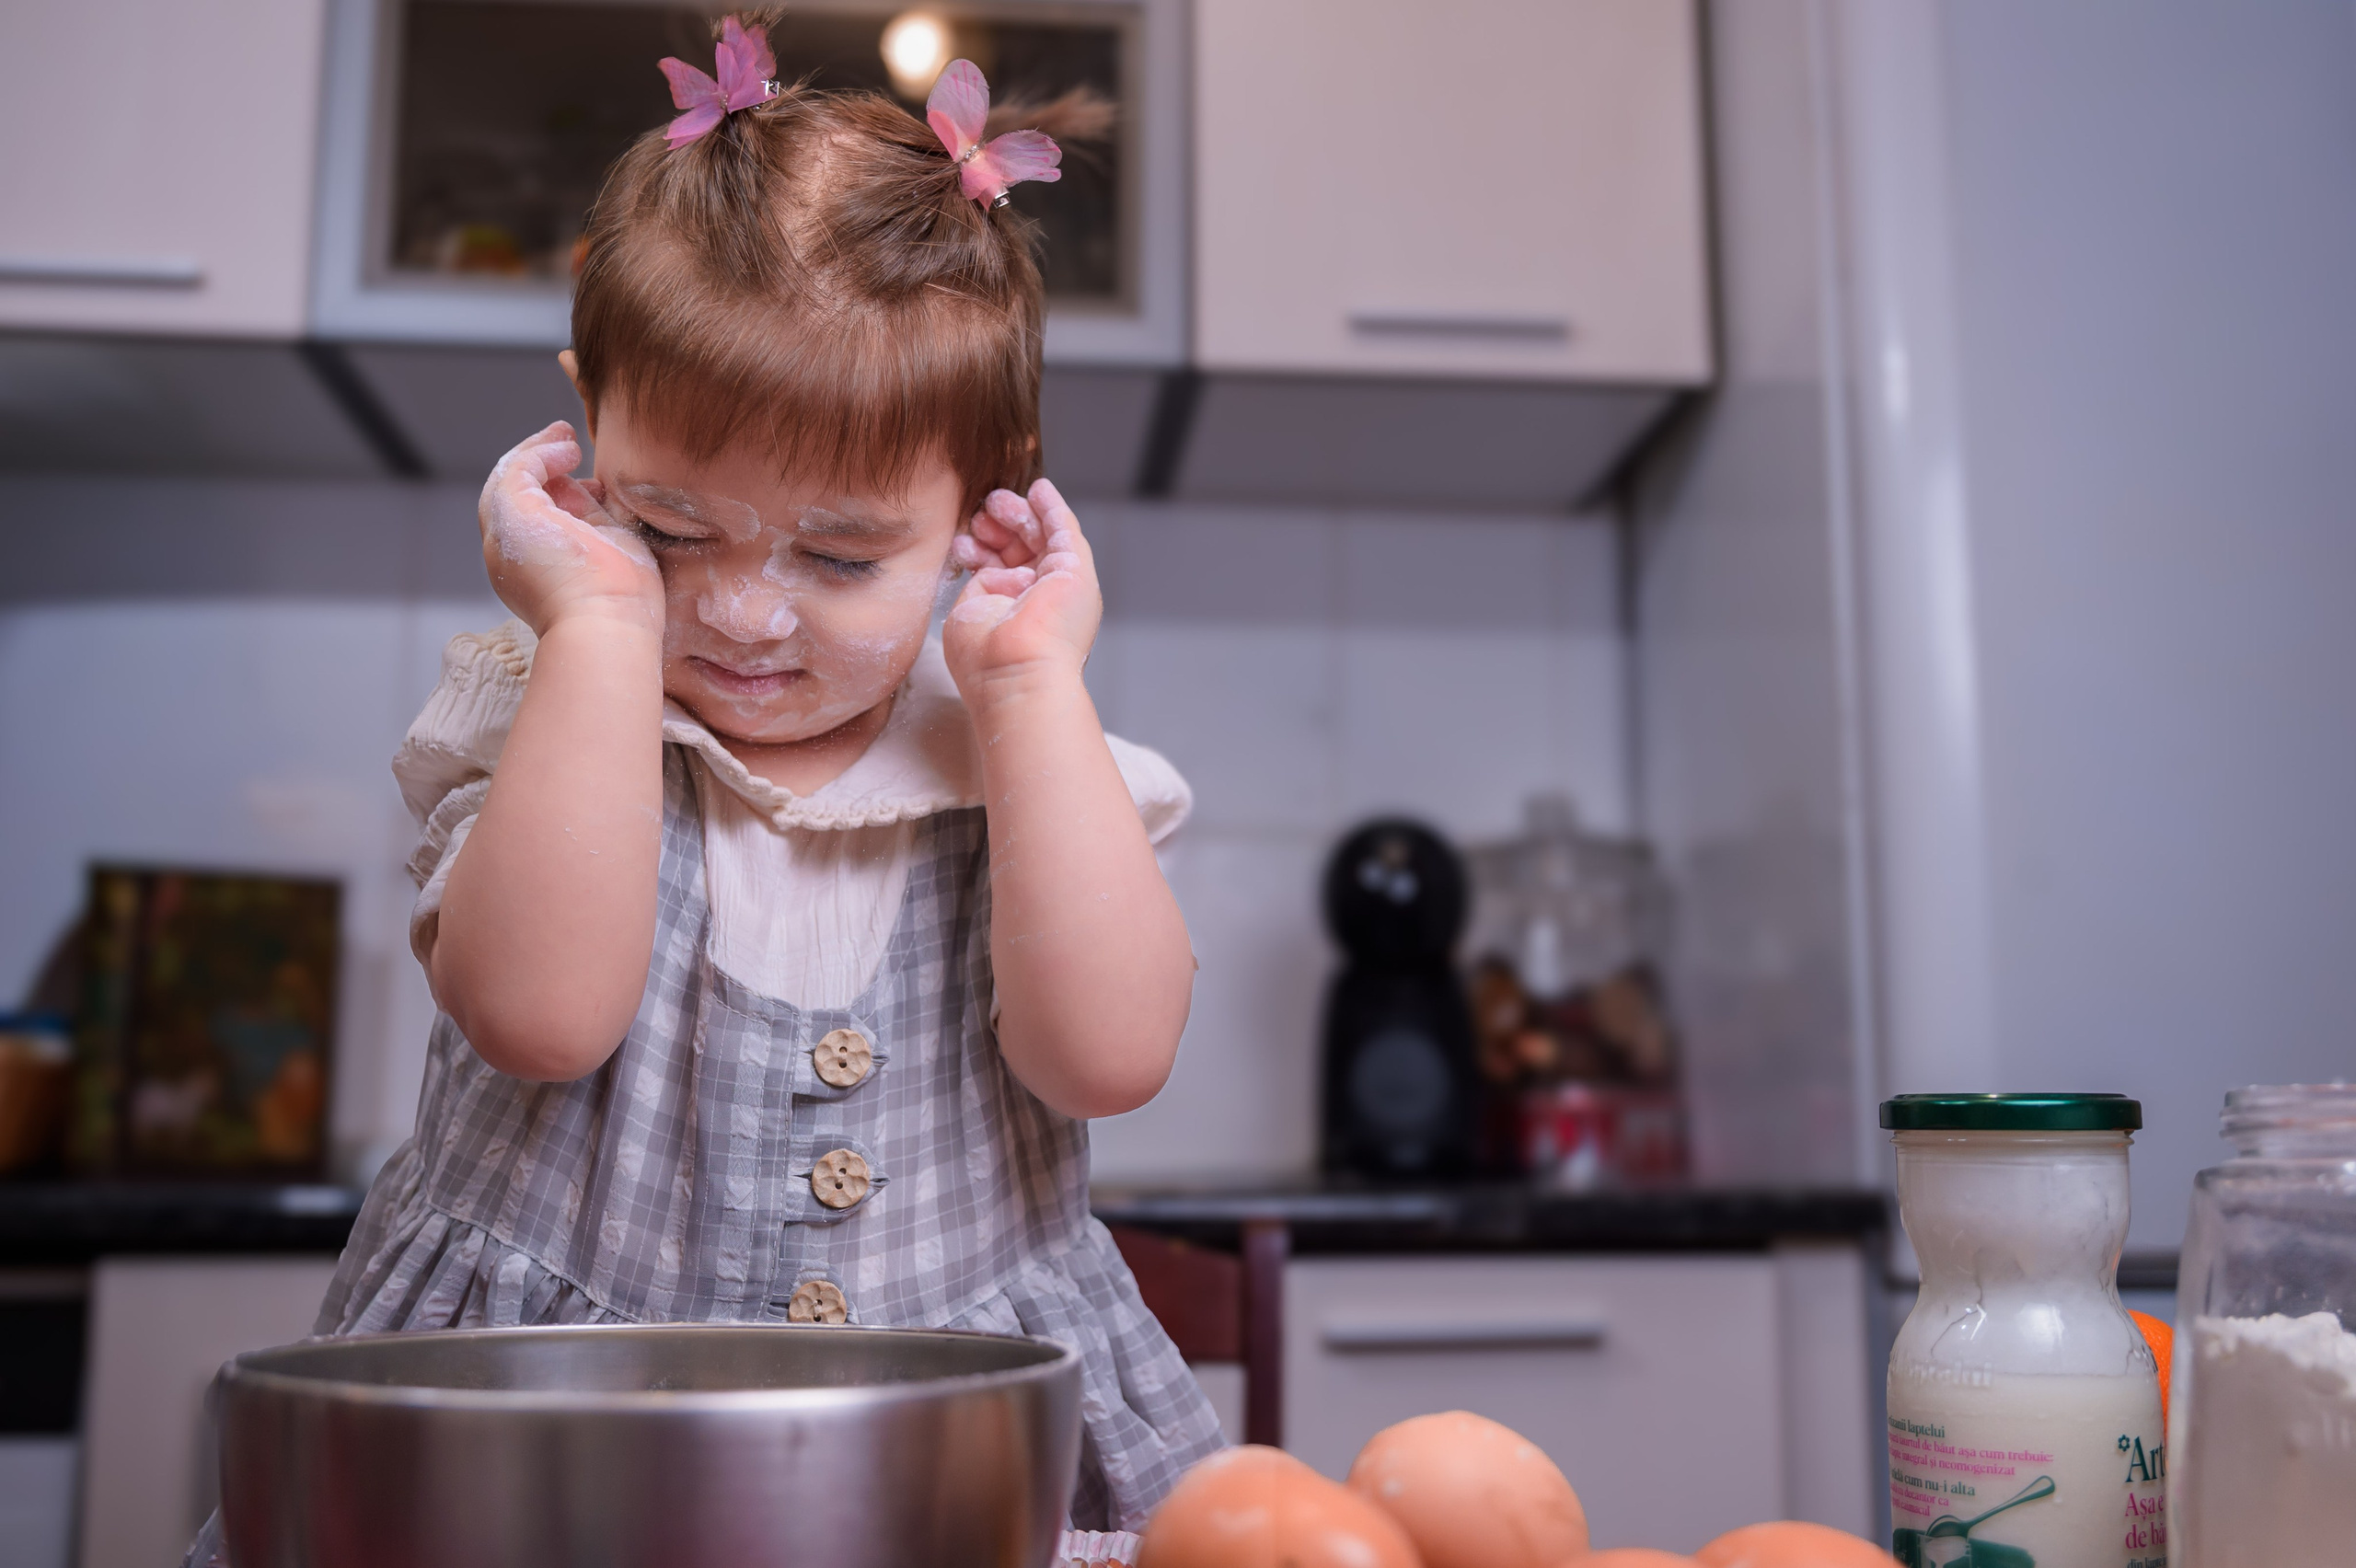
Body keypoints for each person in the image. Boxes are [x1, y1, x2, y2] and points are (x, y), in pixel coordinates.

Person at [321, 20, 1222, 1534]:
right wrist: (601, 623)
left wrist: (1028, 685)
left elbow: (1109, 1062)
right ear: (590, 418)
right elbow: (539, 1022)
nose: (743, 613)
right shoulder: (561, 713)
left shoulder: (1016, 748)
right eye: (673, 529)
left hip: (945, 1469)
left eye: (842, 556)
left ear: (987, 492)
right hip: (549, 1462)